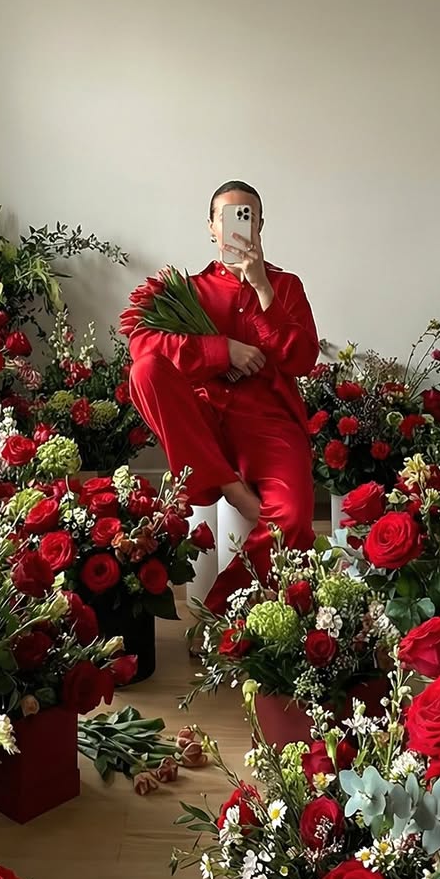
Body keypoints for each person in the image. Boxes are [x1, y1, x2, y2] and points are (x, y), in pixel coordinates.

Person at [125, 181, 319, 612]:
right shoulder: (188, 291)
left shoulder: (286, 286)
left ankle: (219, 617)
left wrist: (263, 289)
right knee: (145, 370)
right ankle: (228, 485)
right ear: (211, 227)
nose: (237, 226)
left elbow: (303, 359)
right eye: (228, 217)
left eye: (247, 217)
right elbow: (141, 347)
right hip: (204, 419)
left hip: (269, 424)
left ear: (260, 226)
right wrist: (221, 351)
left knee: (292, 520)